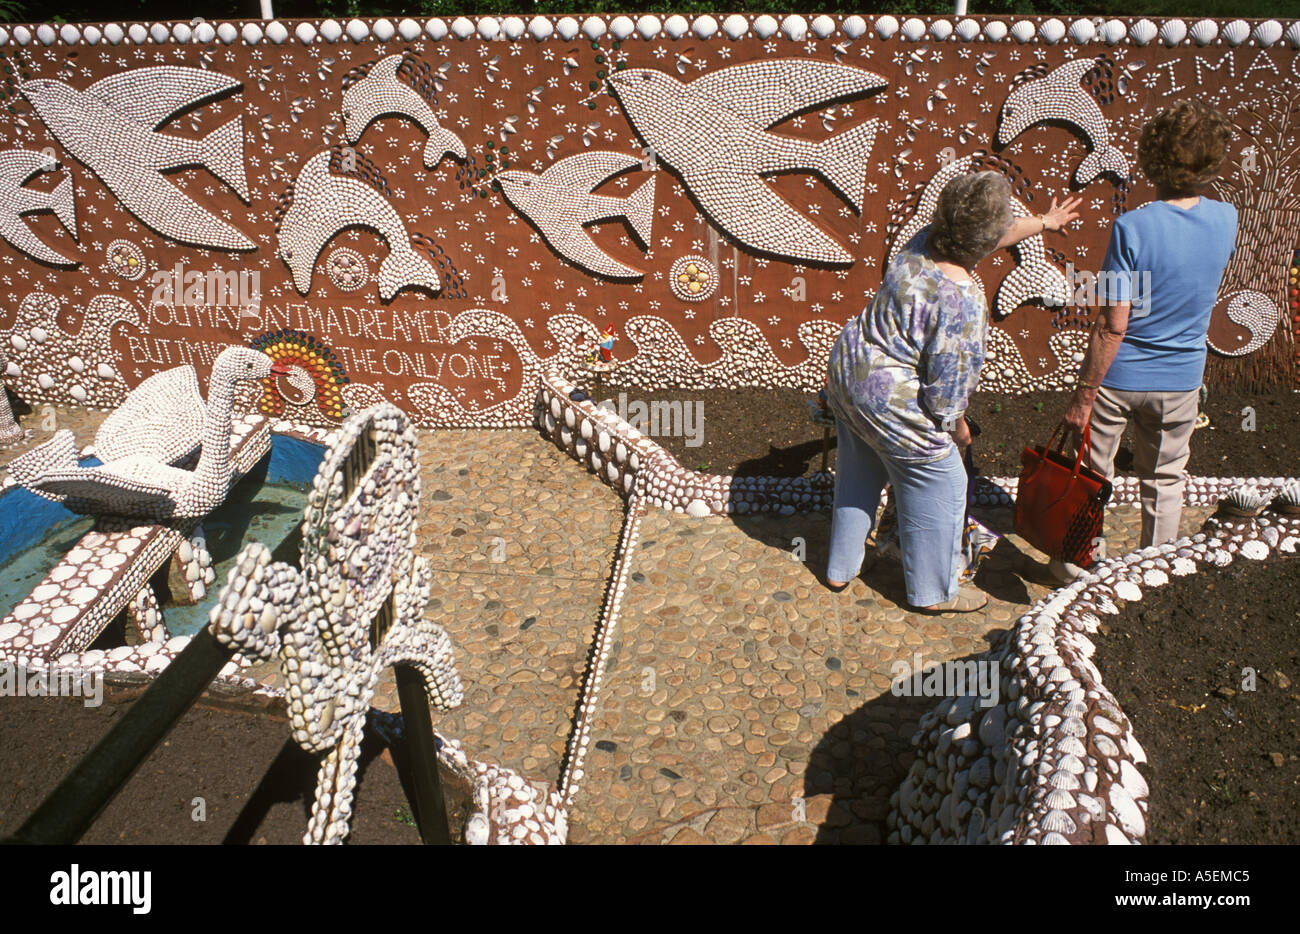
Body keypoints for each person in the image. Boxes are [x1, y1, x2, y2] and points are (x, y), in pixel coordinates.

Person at [825, 172, 1081, 611]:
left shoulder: (922, 242)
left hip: (849, 373)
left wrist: (1043, 221)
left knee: (861, 469)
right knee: (944, 480)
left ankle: (841, 567)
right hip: (888, 397)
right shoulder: (962, 299)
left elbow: (987, 236)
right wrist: (957, 429)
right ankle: (933, 592)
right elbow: (946, 390)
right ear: (985, 238)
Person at [1057, 101, 1237, 577]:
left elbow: (1113, 322)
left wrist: (1084, 393)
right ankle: (1151, 572)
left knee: (1094, 475)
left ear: (1154, 156)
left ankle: (1078, 567)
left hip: (1120, 378)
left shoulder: (1131, 227)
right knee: (1165, 479)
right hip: (1181, 378)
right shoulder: (1227, 220)